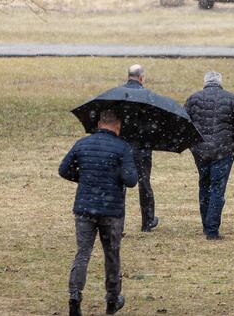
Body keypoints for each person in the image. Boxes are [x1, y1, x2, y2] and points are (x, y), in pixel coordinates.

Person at [59, 109, 136, 316]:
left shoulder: (82, 144)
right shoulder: (123, 148)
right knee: (112, 255)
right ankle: (112, 300)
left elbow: (63, 169)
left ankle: (75, 295)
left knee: (82, 253)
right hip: (111, 211)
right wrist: (117, 174)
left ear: (99, 124)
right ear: (117, 125)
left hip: (84, 208)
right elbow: (131, 181)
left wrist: (85, 179)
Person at [184, 71, 234, 240]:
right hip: (223, 151)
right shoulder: (231, 98)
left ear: (205, 82)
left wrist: (192, 145)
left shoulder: (193, 99)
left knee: (204, 186)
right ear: (220, 82)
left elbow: (184, 122)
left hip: (200, 152)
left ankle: (207, 225)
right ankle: (212, 230)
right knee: (217, 189)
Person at [122, 64, 159, 232]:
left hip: (121, 147)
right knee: (144, 183)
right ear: (142, 78)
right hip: (142, 148)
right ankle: (147, 221)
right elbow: (154, 125)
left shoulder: (118, 96)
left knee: (119, 185)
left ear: (128, 76)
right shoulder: (148, 97)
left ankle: (118, 224)